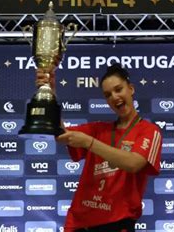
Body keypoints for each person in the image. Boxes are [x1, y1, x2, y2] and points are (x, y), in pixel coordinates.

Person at [36, 63, 162, 232]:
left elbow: (134, 164)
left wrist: (89, 143)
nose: (114, 97)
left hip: (116, 224)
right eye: (108, 94)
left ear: (131, 89)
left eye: (119, 89)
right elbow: (60, 134)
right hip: (78, 224)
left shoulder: (149, 130)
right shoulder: (98, 129)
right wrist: (49, 93)